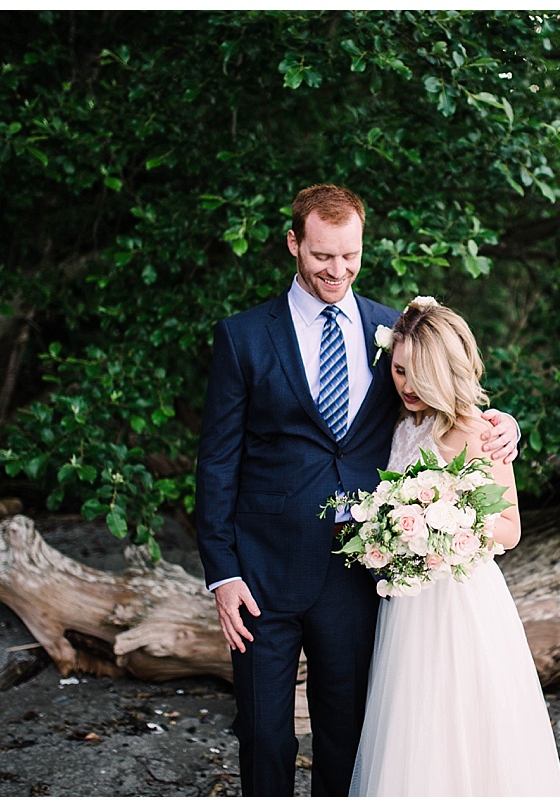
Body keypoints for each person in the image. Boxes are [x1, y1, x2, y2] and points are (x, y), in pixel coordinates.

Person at [194, 184, 519, 797]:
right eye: (322, 256)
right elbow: (215, 462)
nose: (337, 270)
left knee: (348, 733)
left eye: (350, 256)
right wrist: (222, 573)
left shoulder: (389, 330)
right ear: (294, 244)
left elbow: (442, 403)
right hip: (262, 572)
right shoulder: (243, 337)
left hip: (358, 572)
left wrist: (506, 425)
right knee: (264, 734)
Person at [348, 297, 560, 796]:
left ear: (444, 372)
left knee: (465, 720)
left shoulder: (479, 432)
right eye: (398, 370)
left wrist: (445, 527)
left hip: (463, 601)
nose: (404, 384)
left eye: (415, 373)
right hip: (408, 603)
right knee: (410, 721)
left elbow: (510, 528)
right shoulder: (403, 425)